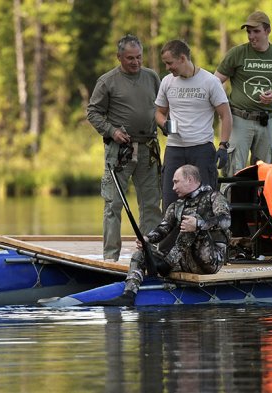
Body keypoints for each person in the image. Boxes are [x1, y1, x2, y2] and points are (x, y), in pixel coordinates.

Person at [98, 165, 231, 306]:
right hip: (184, 261)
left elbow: (226, 220)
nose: (173, 187)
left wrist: (199, 224)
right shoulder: (176, 205)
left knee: (191, 219)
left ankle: (165, 265)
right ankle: (129, 294)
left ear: (190, 179)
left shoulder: (214, 197)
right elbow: (163, 229)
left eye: (176, 182)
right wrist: (147, 239)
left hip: (210, 261)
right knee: (142, 252)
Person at [86, 34, 163, 262]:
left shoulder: (152, 77)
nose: (135, 62)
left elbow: (162, 107)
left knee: (151, 203)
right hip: (120, 151)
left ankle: (151, 254)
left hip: (149, 148)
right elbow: (92, 112)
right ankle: (111, 257)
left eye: (139, 57)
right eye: (130, 58)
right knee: (113, 204)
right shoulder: (107, 81)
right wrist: (112, 131)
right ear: (119, 57)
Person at [214, 11, 272, 177]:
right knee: (234, 170)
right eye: (248, 32)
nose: (251, 36)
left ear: (267, 31)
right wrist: (224, 107)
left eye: (256, 31)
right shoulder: (237, 53)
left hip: (267, 121)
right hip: (239, 120)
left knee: (267, 172)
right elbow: (214, 82)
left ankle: (264, 203)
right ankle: (230, 202)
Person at [155, 39, 232, 212]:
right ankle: (170, 239)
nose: (167, 67)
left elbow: (225, 115)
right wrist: (164, 124)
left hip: (202, 150)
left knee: (205, 203)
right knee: (170, 203)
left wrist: (223, 146)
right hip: (174, 149)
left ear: (182, 58)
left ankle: (205, 238)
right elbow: (159, 112)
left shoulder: (210, 81)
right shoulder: (167, 82)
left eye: (169, 63)